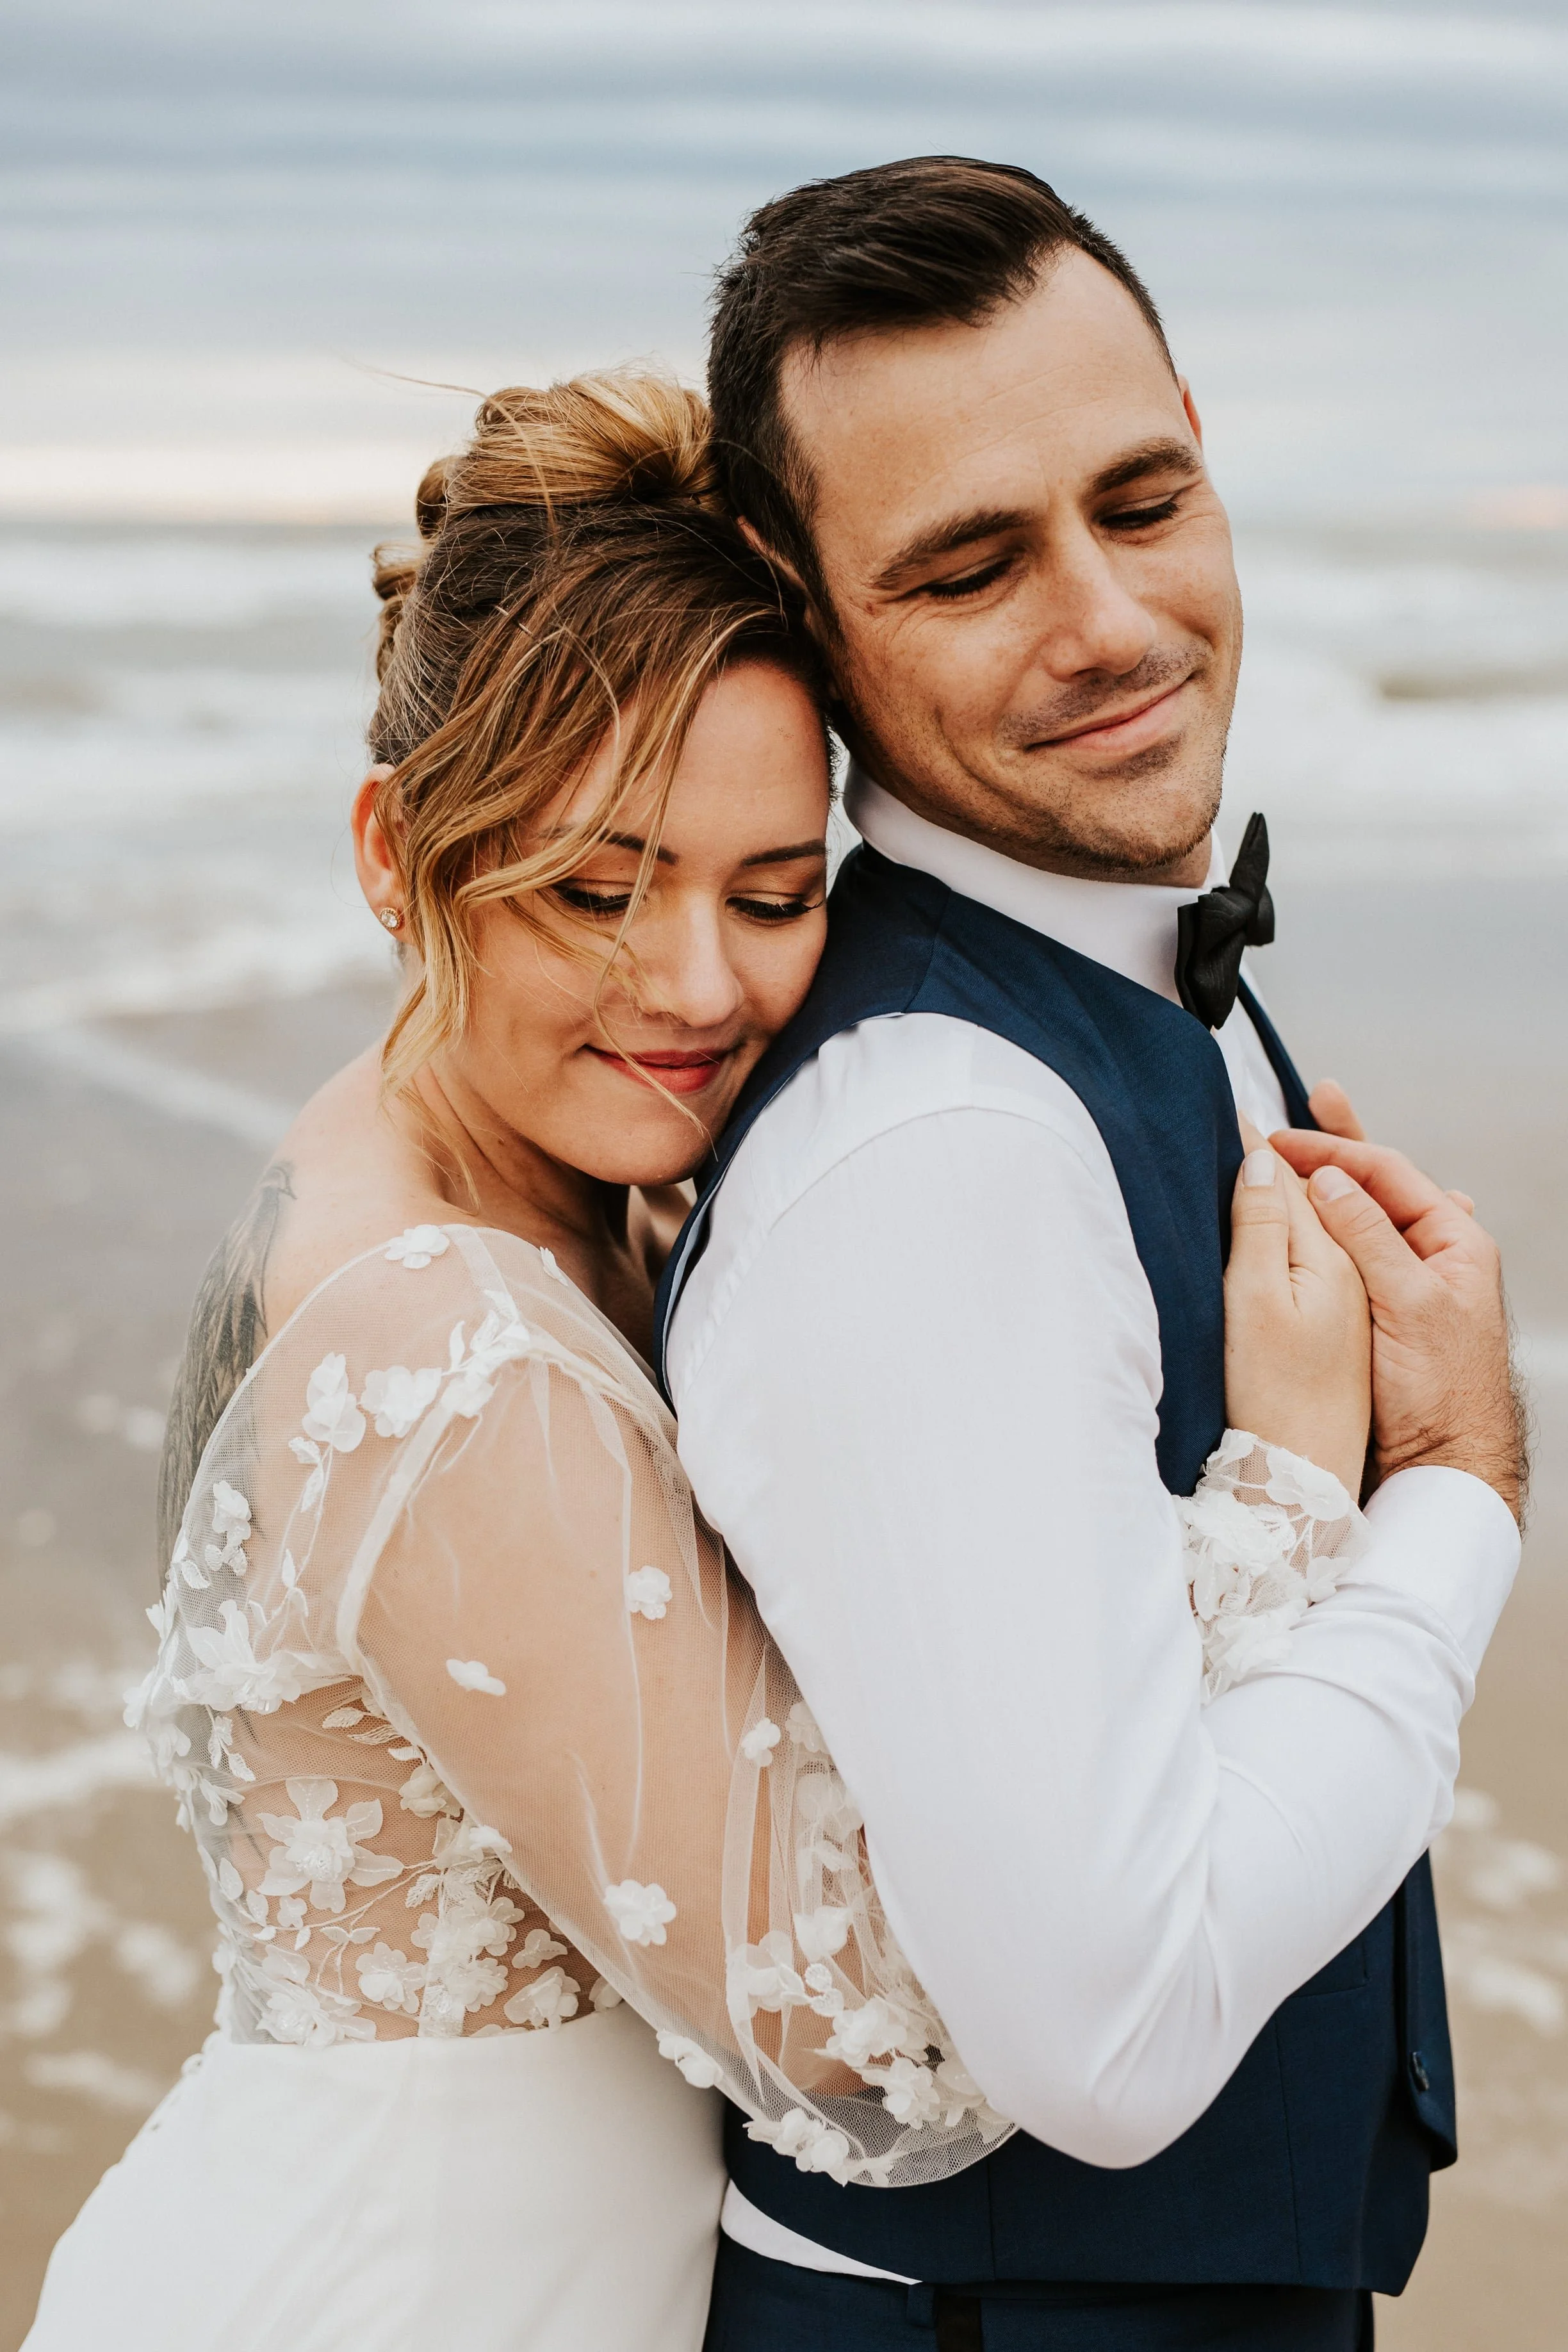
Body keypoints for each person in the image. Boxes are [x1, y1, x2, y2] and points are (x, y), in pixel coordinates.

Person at [28, 371, 1387, 2352]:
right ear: (396, 855)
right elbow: (885, 2044)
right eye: (598, 889)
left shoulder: (516, 1172)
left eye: (774, 894)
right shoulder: (434, 1336)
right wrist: (1294, 1490)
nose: (698, 987)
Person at [655, 159, 1527, 2349]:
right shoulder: (931, 1150)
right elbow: (1110, 2041)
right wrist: (1459, 1501)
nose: (1113, 626)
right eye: (970, 565)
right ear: (797, 598)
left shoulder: (1126, 965)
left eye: (1140, 505)